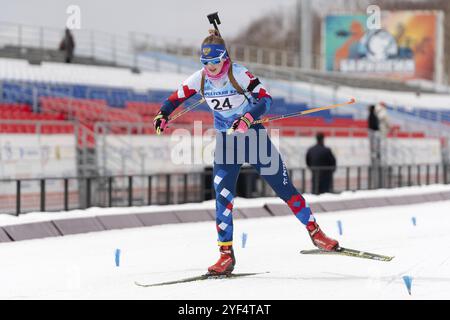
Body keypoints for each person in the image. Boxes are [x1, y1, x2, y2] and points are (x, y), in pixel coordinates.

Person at [153, 29, 339, 275]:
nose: (210, 68)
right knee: (223, 198)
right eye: (205, 63)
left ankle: (316, 233)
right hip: (227, 144)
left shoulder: (238, 74)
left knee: (285, 189)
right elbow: (175, 98)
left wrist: (248, 117)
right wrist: (163, 114)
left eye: (215, 62)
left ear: (225, 58)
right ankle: (225, 255)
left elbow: (265, 98)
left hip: (254, 139)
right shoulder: (199, 79)